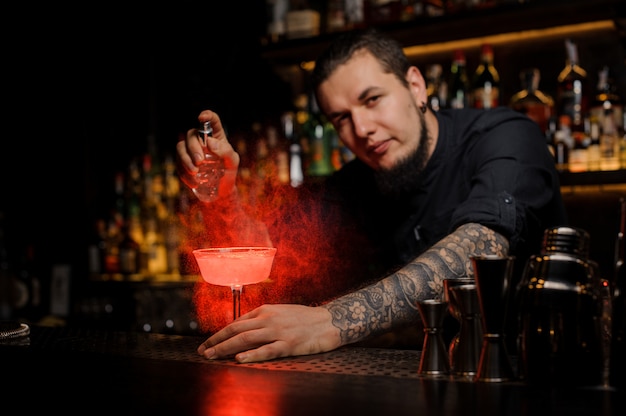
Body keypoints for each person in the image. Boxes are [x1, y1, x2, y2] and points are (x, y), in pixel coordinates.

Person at [176, 28, 567, 364]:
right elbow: (262, 253)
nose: (361, 129)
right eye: (341, 118)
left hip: (531, 375)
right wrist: (225, 195)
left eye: (372, 99)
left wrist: (333, 321)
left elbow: (481, 249)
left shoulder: (506, 136)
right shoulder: (353, 185)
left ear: (415, 86)